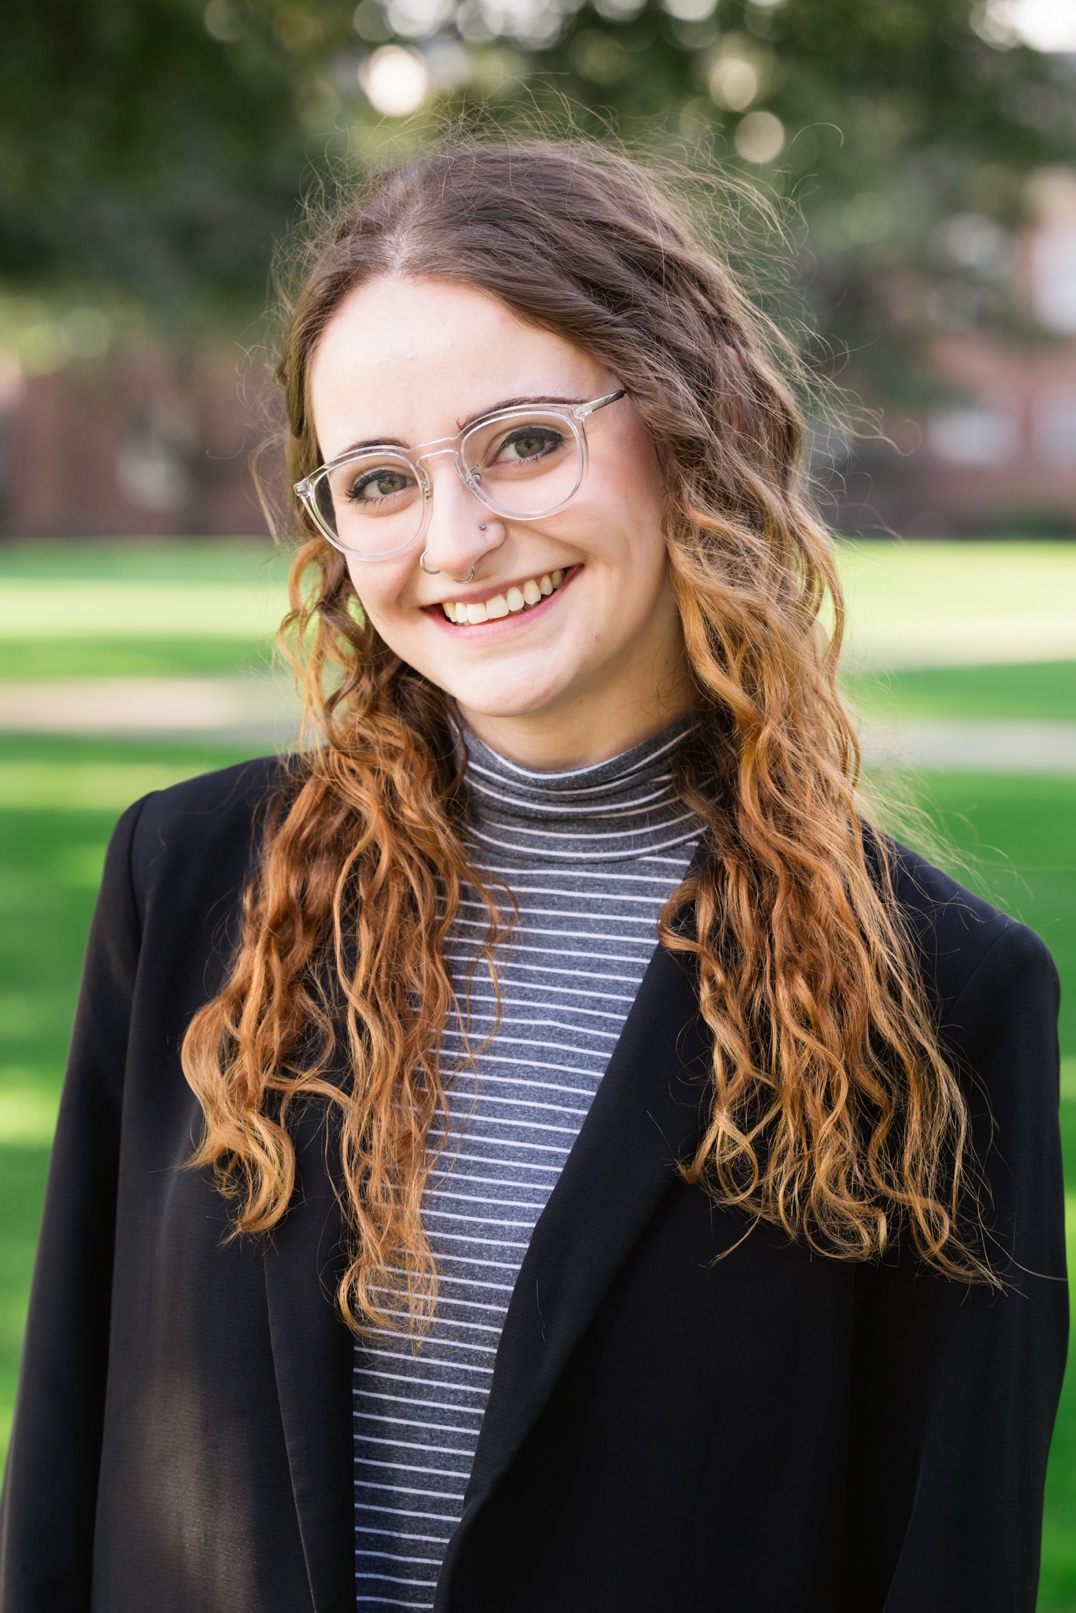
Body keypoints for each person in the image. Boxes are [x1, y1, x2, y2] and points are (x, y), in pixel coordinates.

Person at [0, 139, 1067, 1613]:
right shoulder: (185, 881)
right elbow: (65, 1467)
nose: (455, 539)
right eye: (380, 480)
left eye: (521, 442)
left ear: (687, 426)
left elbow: (943, 1559)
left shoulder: (936, 993)